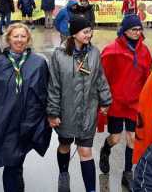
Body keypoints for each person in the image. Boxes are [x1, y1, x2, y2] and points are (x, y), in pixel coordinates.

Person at [0, 23, 52, 192]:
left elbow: (47, 92)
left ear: (28, 39)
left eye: (23, 36)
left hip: (28, 122)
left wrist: (52, 114)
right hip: (6, 122)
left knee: (16, 161)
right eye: (15, 36)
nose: (19, 40)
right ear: (8, 39)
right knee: (13, 164)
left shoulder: (38, 63)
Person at [47, 15, 112, 192]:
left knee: (85, 152)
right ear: (74, 33)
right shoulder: (59, 55)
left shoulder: (94, 53)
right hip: (65, 112)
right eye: (85, 31)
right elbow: (54, 85)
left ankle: (90, 190)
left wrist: (106, 100)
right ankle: (63, 174)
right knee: (64, 145)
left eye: (90, 31)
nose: (89, 35)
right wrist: (53, 113)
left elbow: (100, 78)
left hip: (87, 111)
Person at [98, 14, 152, 190]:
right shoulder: (111, 50)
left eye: (139, 29)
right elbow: (101, 78)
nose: (137, 32)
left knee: (132, 138)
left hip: (134, 103)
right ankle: (105, 150)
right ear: (124, 31)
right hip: (116, 103)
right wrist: (102, 100)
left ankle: (127, 173)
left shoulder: (144, 52)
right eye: (133, 29)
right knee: (115, 138)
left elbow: (148, 77)